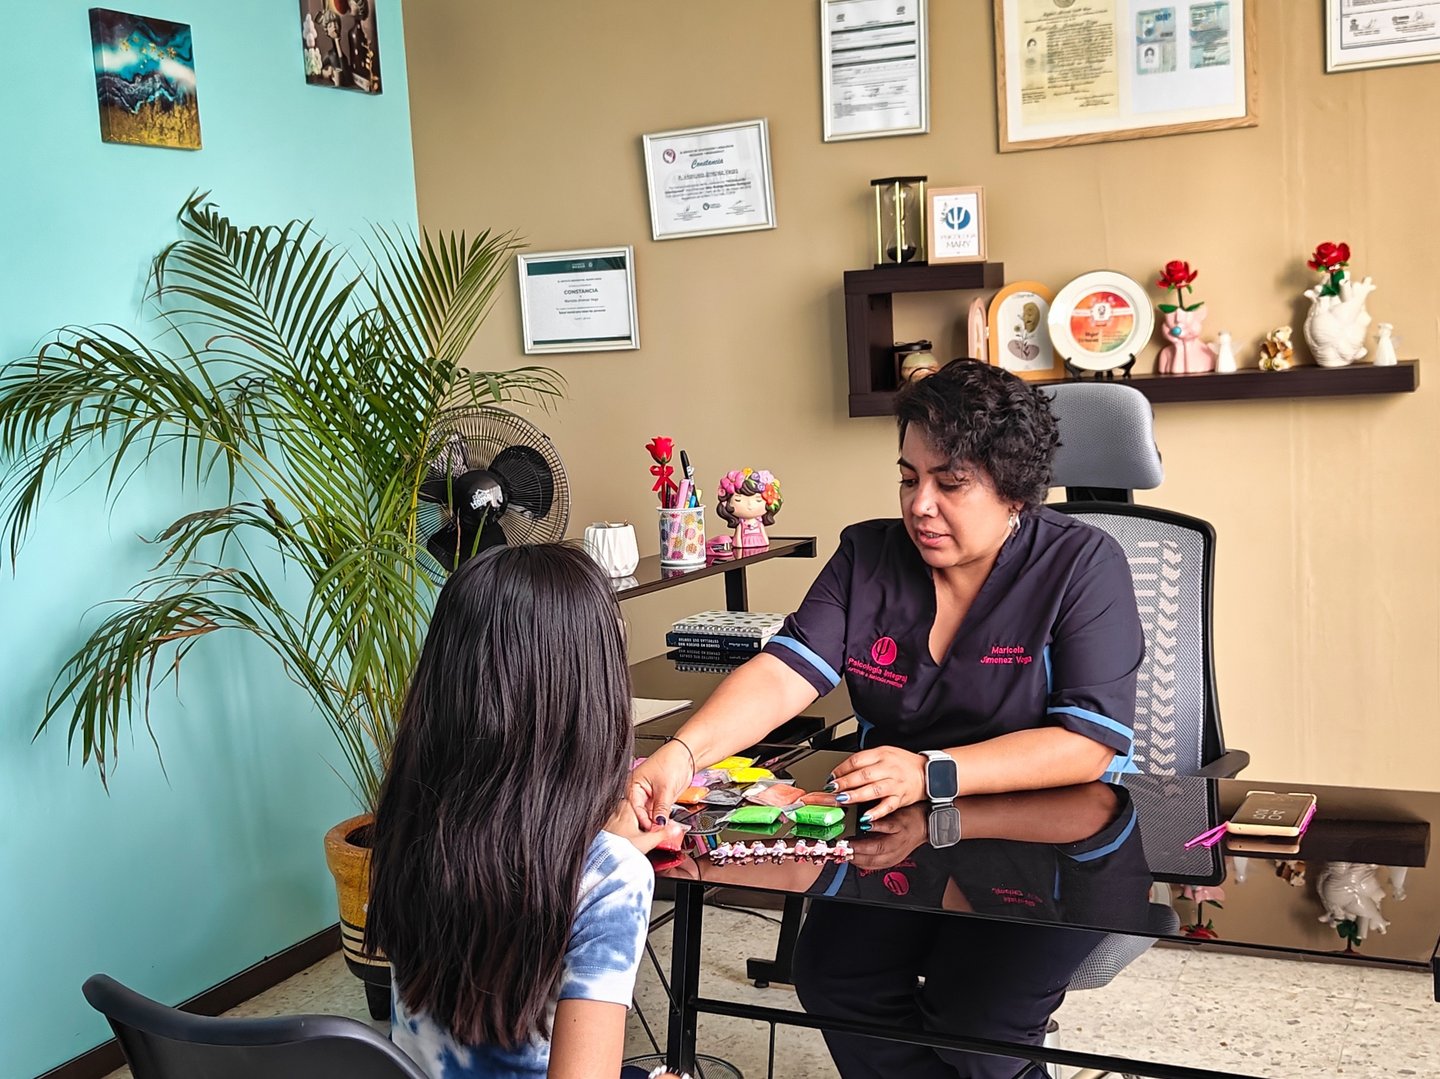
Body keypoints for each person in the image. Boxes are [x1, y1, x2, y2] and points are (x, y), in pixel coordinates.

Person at [630, 360, 1143, 1077]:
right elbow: (784, 672)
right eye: (908, 477)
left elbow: (1088, 741)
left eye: (950, 481)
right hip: (901, 835)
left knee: (977, 1018)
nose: (920, 503)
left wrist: (932, 769)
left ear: (1015, 489)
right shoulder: (867, 555)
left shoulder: (1083, 564)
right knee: (838, 980)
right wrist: (682, 753)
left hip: (1049, 837)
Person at [366, 544, 687, 1079]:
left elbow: (508, 844)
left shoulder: (410, 824)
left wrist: (591, 853)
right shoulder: (612, 878)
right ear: (593, 696)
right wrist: (605, 871)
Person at [715, 467, 783, 549]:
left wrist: (766, 542)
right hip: (744, 542)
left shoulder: (759, 523)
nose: (749, 505)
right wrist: (738, 545)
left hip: (760, 542)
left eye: (758, 500)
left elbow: (764, 535)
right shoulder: (741, 524)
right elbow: (738, 537)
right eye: (738, 500)